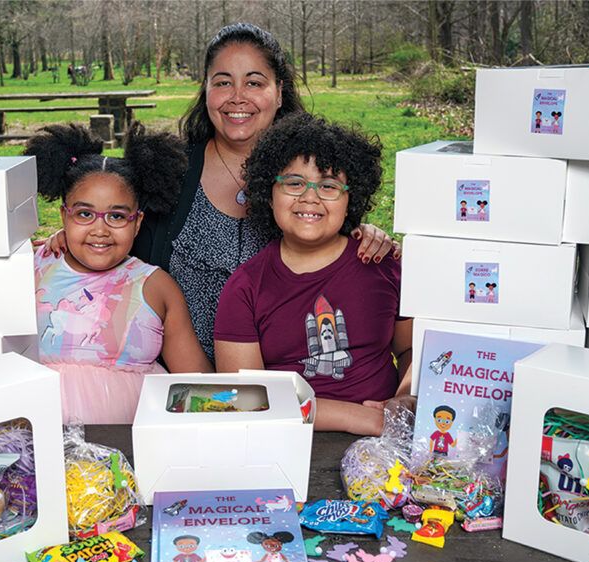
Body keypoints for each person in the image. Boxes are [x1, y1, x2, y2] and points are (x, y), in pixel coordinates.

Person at [42, 23, 397, 361]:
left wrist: (364, 234)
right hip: (174, 378)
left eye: (255, 83)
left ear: (279, 92)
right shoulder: (167, 171)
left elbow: (332, 248)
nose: (237, 97)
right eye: (223, 82)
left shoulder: (308, 183)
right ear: (206, 90)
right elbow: (113, 222)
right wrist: (71, 235)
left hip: (285, 382)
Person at [213, 113, 413, 436]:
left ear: (351, 199)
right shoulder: (245, 289)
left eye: (329, 185)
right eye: (294, 183)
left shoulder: (383, 264)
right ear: (270, 193)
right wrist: (358, 418)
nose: (310, 197)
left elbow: (410, 350)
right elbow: (247, 400)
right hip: (284, 441)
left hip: (385, 443)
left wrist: (405, 398)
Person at [24, 123, 212, 424]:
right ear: (64, 215)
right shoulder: (34, 267)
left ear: (137, 223)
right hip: (37, 440)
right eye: (84, 214)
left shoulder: (154, 286)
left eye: (117, 216)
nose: (100, 229)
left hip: (130, 448)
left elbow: (197, 380)